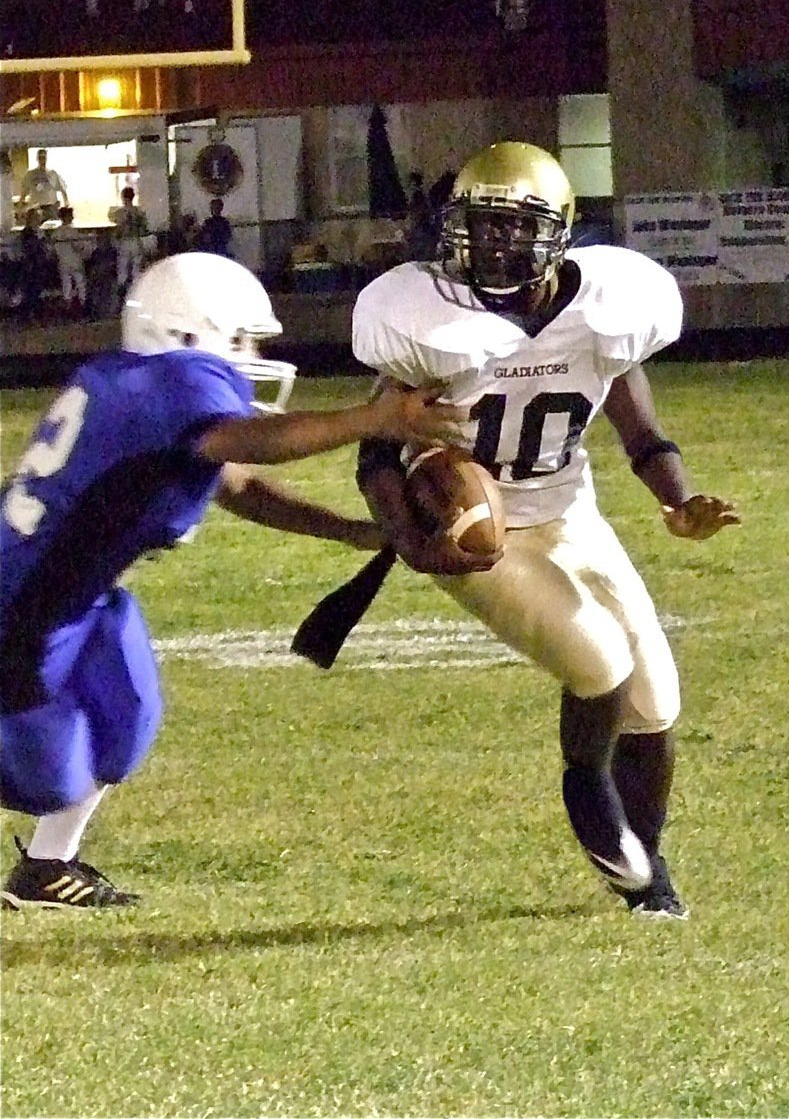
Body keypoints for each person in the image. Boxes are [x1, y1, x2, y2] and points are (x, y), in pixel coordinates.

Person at [0, 252, 464, 910]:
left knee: (126, 713)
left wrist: (355, 532)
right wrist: (371, 420)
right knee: (46, 778)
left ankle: (46, 868)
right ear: (190, 334)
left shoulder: (135, 386)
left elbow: (238, 484)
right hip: (18, 619)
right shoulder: (172, 386)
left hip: (74, 600)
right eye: (241, 338)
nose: (250, 355)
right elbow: (248, 444)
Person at [351, 142, 739, 919]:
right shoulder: (429, 317)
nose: (492, 245)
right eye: (479, 227)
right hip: (475, 533)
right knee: (598, 664)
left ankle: (643, 864)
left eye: (512, 228)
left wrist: (678, 500)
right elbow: (376, 452)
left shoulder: (605, 312)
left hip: (567, 515)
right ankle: (619, 850)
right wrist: (406, 534)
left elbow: (642, 435)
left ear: (559, 231)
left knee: (655, 701)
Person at [112, 186, 149, 292]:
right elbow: (144, 229)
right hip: (136, 241)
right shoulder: (139, 212)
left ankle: (122, 291)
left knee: (122, 267)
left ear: (123, 197)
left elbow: (118, 229)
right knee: (136, 268)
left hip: (124, 242)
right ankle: (136, 290)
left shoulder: (119, 213)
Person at [51, 207, 88, 311]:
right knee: (80, 283)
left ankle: (67, 303)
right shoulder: (72, 231)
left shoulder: (57, 232)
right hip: (74, 261)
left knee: (66, 284)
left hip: (62, 261)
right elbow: (78, 246)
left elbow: (53, 248)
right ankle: (82, 303)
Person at [19, 149, 68, 222]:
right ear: (37, 159)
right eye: (40, 157)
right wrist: (21, 208)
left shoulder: (52, 174)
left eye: (44, 157)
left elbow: (63, 190)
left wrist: (66, 204)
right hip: (36, 208)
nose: (42, 160)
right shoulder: (30, 174)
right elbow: (23, 192)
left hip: (50, 208)